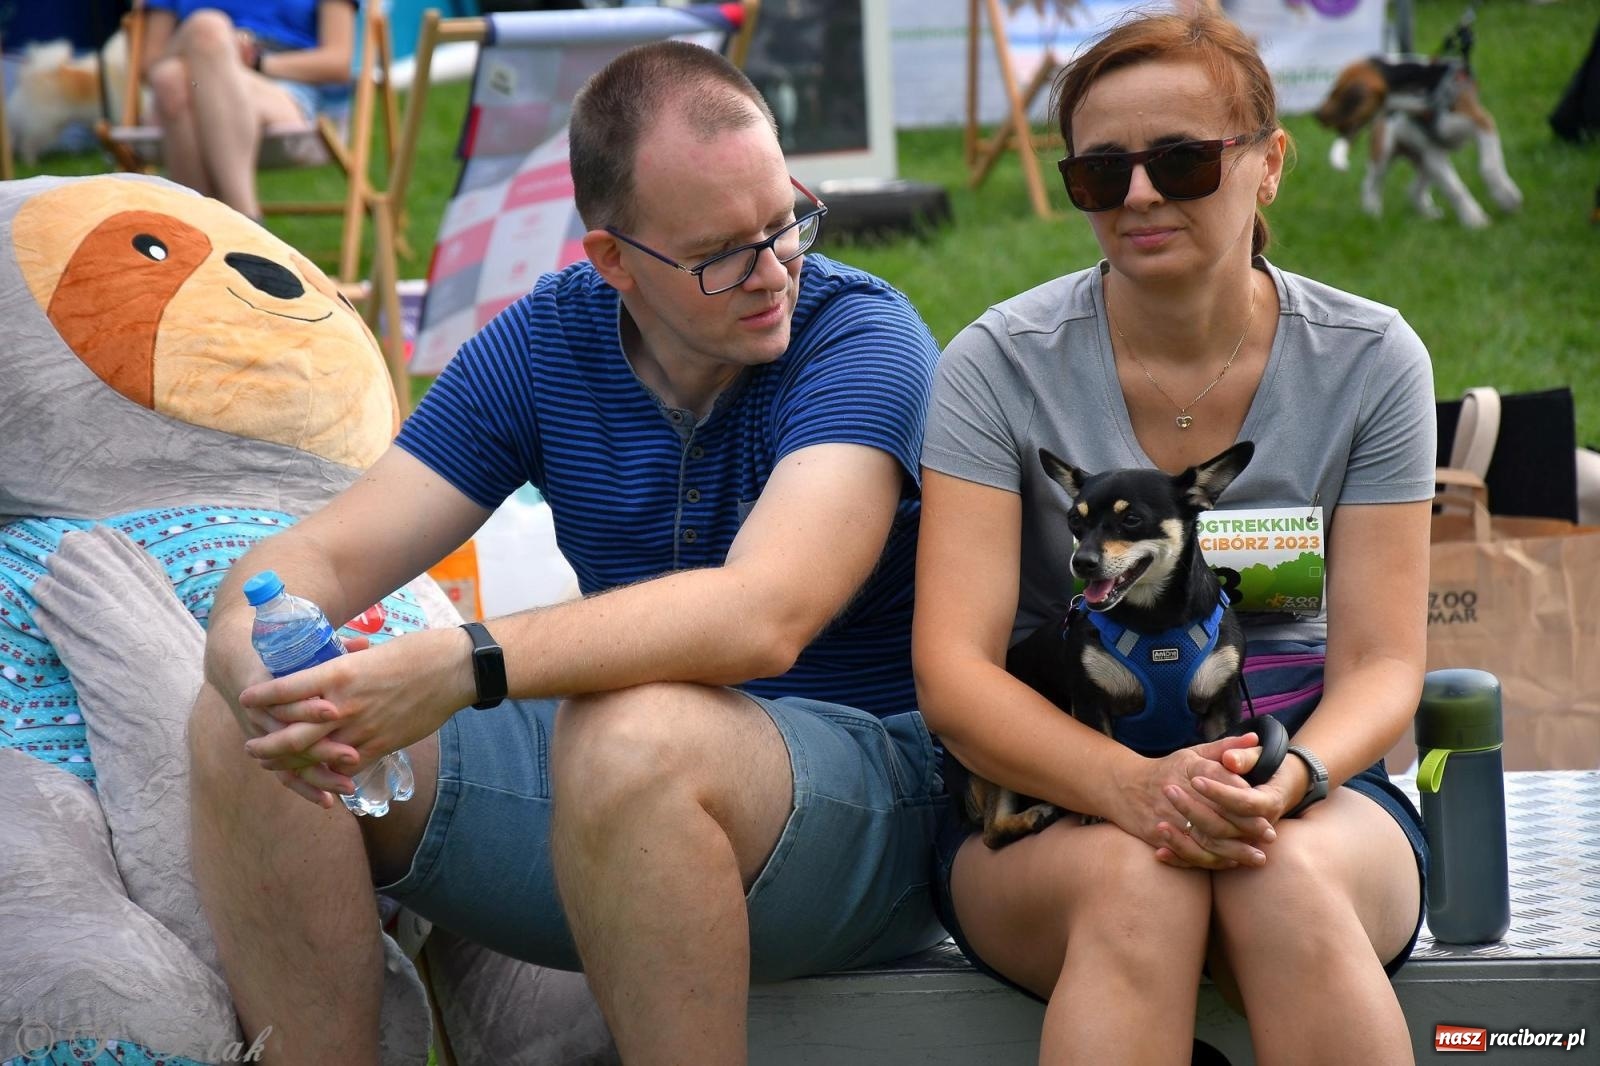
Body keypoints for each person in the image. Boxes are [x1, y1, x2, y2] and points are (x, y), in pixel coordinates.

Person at [188, 40, 948, 1065]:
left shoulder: (861, 338)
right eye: (722, 251)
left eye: (787, 222)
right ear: (613, 260)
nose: (774, 272)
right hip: (618, 797)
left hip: (868, 808)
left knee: (634, 737)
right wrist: (242, 646)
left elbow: (767, 612)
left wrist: (465, 663)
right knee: (259, 724)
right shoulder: (545, 340)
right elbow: (320, 555)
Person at [914, 10, 1432, 1064]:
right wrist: (1132, 792)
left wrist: (1283, 784)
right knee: (1138, 880)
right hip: (1054, 800)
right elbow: (953, 674)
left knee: (1277, 876)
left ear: (1269, 165)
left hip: (1306, 786)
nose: (1140, 195)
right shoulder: (994, 367)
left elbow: (1382, 666)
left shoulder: (1371, 360)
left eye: (1183, 162)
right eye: (1100, 175)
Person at [140, 0, 356, 218]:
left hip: (286, 85)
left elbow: (338, 63)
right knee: (202, 35)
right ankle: (240, 222)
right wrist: (216, 50)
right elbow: (149, 64)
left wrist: (255, 62)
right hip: (192, 68)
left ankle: (209, 224)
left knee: (180, 70)